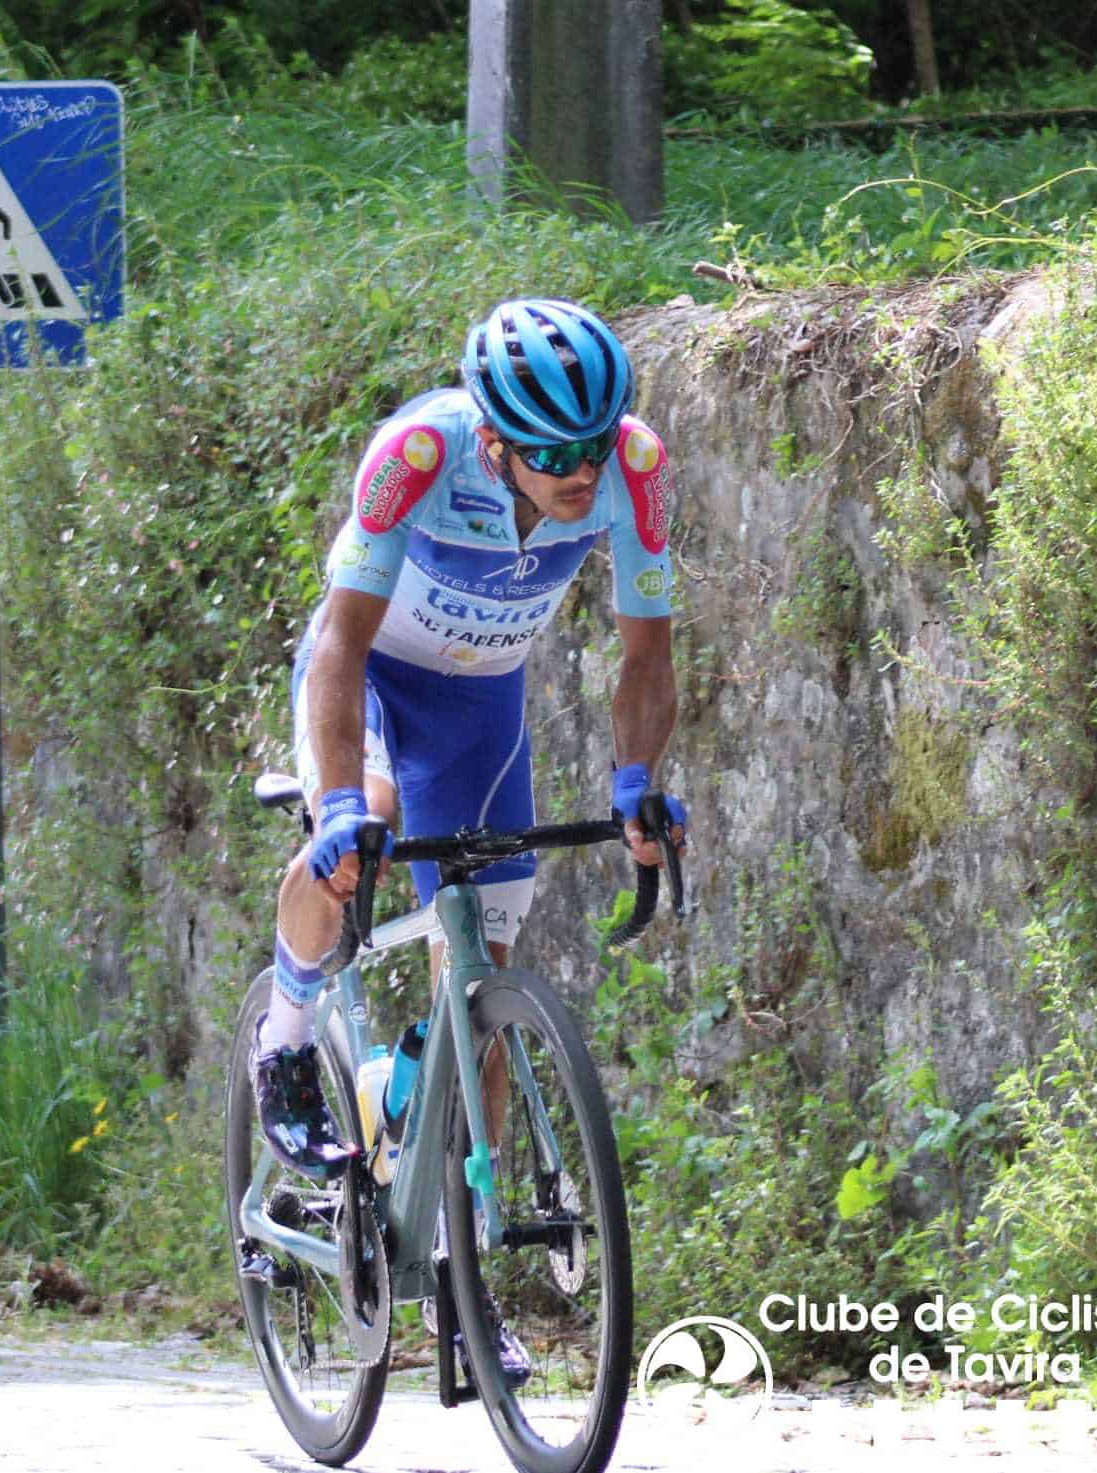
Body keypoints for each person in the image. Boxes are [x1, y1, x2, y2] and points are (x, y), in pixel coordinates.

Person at [251, 299, 687, 1372]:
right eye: (548, 451)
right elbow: (344, 648)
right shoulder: (414, 456)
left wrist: (637, 781)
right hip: (375, 686)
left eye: (590, 443)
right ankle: (290, 1032)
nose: (578, 471)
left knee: (480, 980)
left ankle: (456, 1272)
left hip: (480, 709)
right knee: (365, 829)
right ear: (490, 440)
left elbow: (645, 655)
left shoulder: (629, 469)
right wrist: (343, 802)